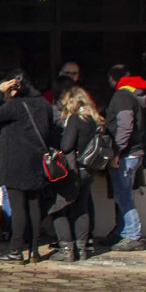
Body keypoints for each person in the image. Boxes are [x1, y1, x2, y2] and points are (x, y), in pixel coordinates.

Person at [0, 69, 54, 264]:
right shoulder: (44, 104)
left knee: (18, 207)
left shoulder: (16, 105)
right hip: (37, 161)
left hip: (15, 163)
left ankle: (16, 250)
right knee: (34, 205)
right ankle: (34, 250)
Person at [49, 86, 102, 261]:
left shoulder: (75, 119)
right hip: (88, 169)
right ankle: (82, 248)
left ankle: (66, 249)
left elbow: (66, 146)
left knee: (58, 208)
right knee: (82, 208)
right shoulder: (93, 119)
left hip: (74, 170)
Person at [105, 65, 146, 251]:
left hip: (125, 155)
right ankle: (123, 233)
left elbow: (125, 126)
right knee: (123, 195)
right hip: (134, 152)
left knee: (124, 196)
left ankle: (132, 235)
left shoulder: (122, 96)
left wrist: (117, 151)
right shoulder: (132, 96)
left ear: (113, 80)